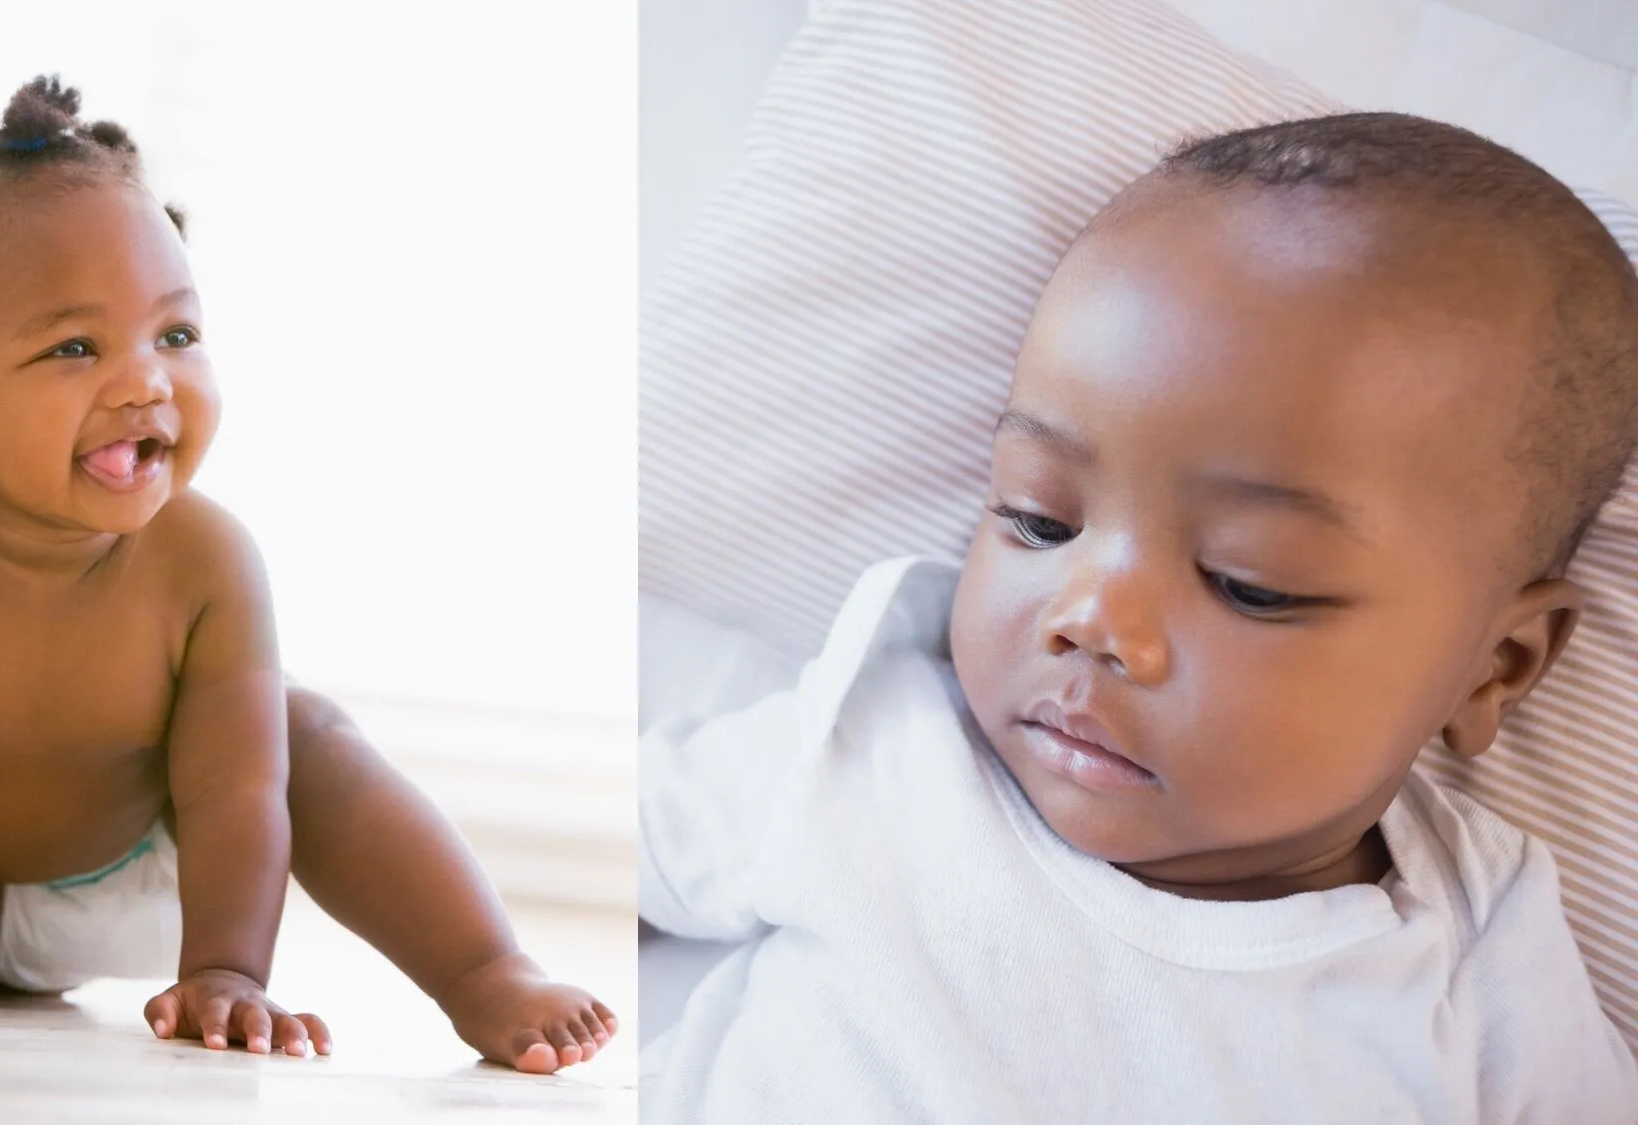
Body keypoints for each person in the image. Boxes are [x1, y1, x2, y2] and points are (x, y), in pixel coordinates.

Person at [640, 112, 1638, 1120]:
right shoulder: (878, 739)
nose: (1090, 617)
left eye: (1251, 584)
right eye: (1037, 520)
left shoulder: (1474, 947)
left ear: (1492, 667)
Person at [0, 76, 615, 1075]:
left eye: (176, 335)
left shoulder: (204, 560)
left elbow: (238, 789)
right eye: (76, 347)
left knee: (305, 737)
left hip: (174, 866)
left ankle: (483, 971)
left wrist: (229, 971)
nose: (147, 382)